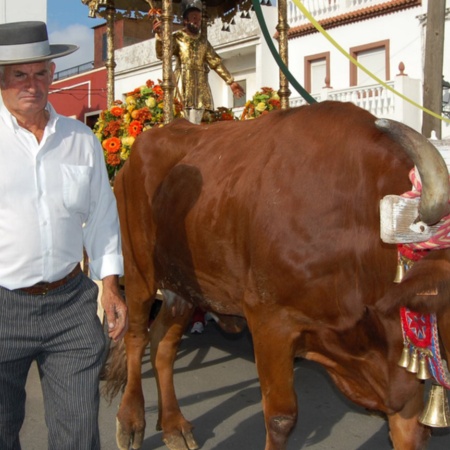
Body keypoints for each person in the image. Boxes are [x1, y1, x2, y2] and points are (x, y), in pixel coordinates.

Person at [0, 21, 128, 450]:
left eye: (40, 72)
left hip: (70, 306)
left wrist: (110, 286)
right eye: (19, 73)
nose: (32, 84)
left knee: (77, 434)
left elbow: (103, 216)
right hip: (3, 305)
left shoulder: (81, 139)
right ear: (1, 77)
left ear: (54, 74)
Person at [153, 1, 245, 122]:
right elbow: (162, 55)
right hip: (183, 82)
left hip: (201, 84)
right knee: (181, 116)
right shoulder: (178, 37)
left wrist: (231, 82)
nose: (197, 22)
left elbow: (215, 63)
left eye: (199, 19)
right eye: (194, 18)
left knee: (203, 118)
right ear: (186, 20)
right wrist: (160, 36)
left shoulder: (203, 42)